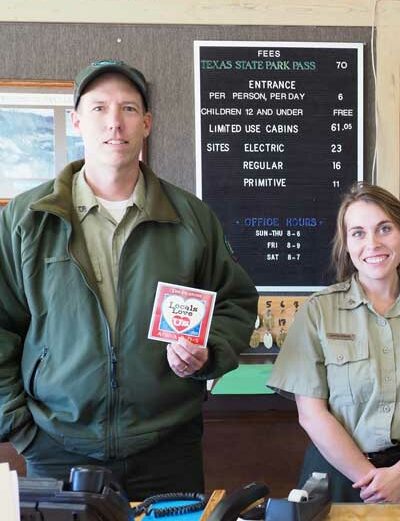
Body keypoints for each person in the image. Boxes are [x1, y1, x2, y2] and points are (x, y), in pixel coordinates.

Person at [0, 59, 258, 499]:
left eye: (129, 109)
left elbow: (235, 302)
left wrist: (208, 350)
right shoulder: (26, 220)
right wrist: (20, 427)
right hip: (56, 446)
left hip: (167, 447)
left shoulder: (191, 218)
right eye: (99, 108)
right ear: (78, 120)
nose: (114, 123)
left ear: (147, 123)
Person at [268, 183, 400, 503]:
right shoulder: (318, 312)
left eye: (384, 228)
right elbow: (311, 413)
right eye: (358, 233)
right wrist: (376, 486)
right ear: (345, 244)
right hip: (339, 479)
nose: (373, 243)